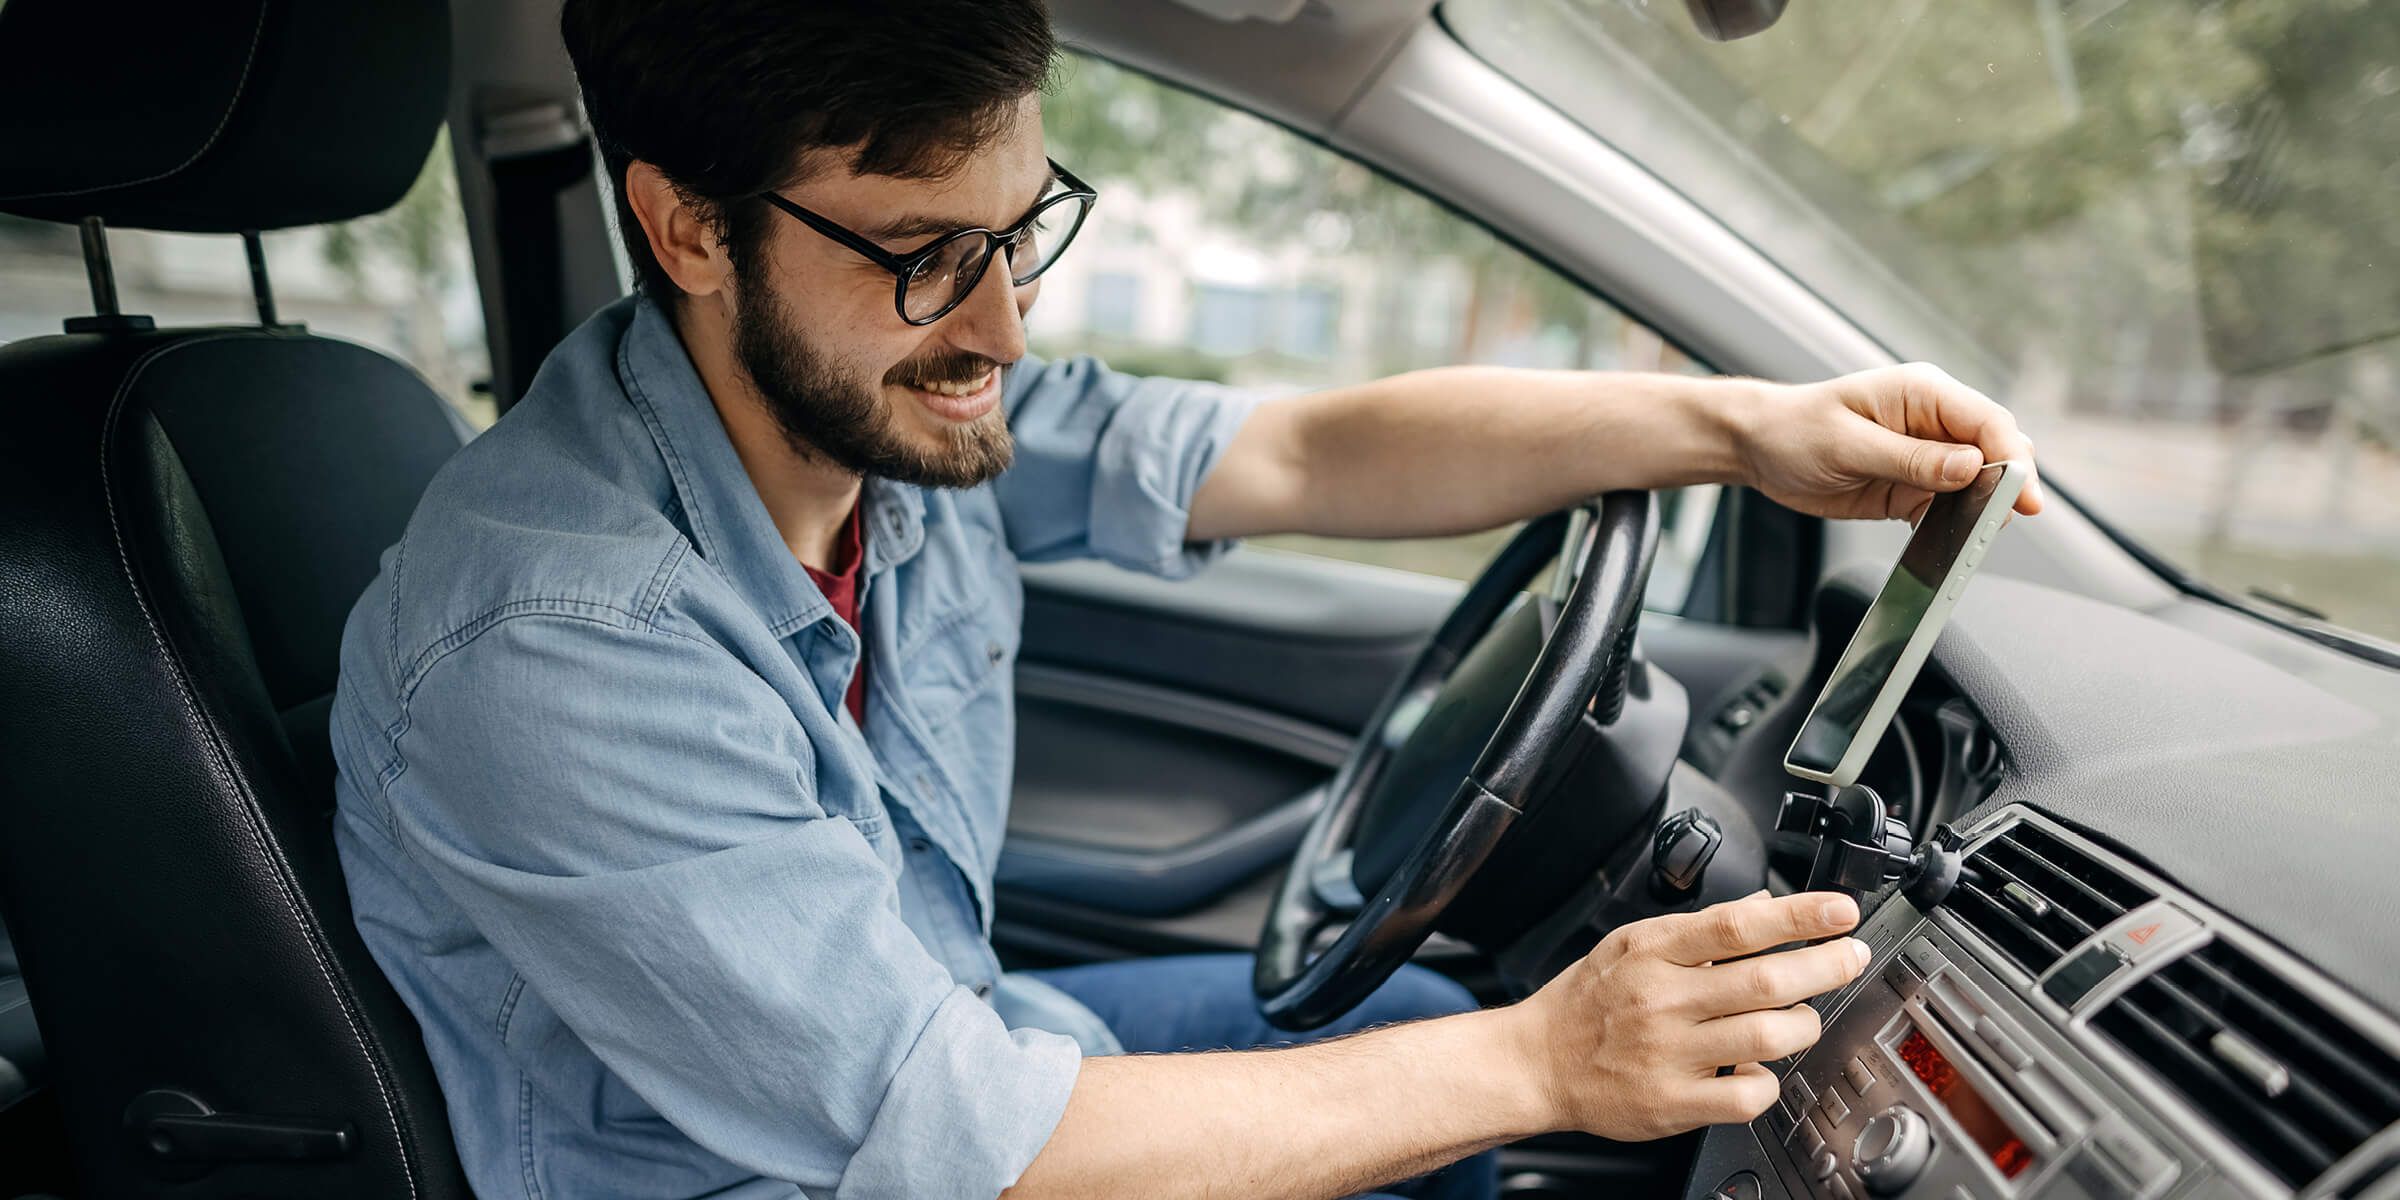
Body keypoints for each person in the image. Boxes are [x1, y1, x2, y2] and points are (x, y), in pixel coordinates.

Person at [325, 2, 2042, 1197]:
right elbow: (970, 1155)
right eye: (928, 252)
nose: (997, 329)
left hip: (964, 1048)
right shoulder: (557, 645)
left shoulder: (883, 417)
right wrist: (1550, 1063)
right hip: (783, 1177)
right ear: (690, 229)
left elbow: (1299, 453)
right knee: (1475, 1076)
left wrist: (1748, 430)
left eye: (1024, 229)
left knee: (1419, 1040)